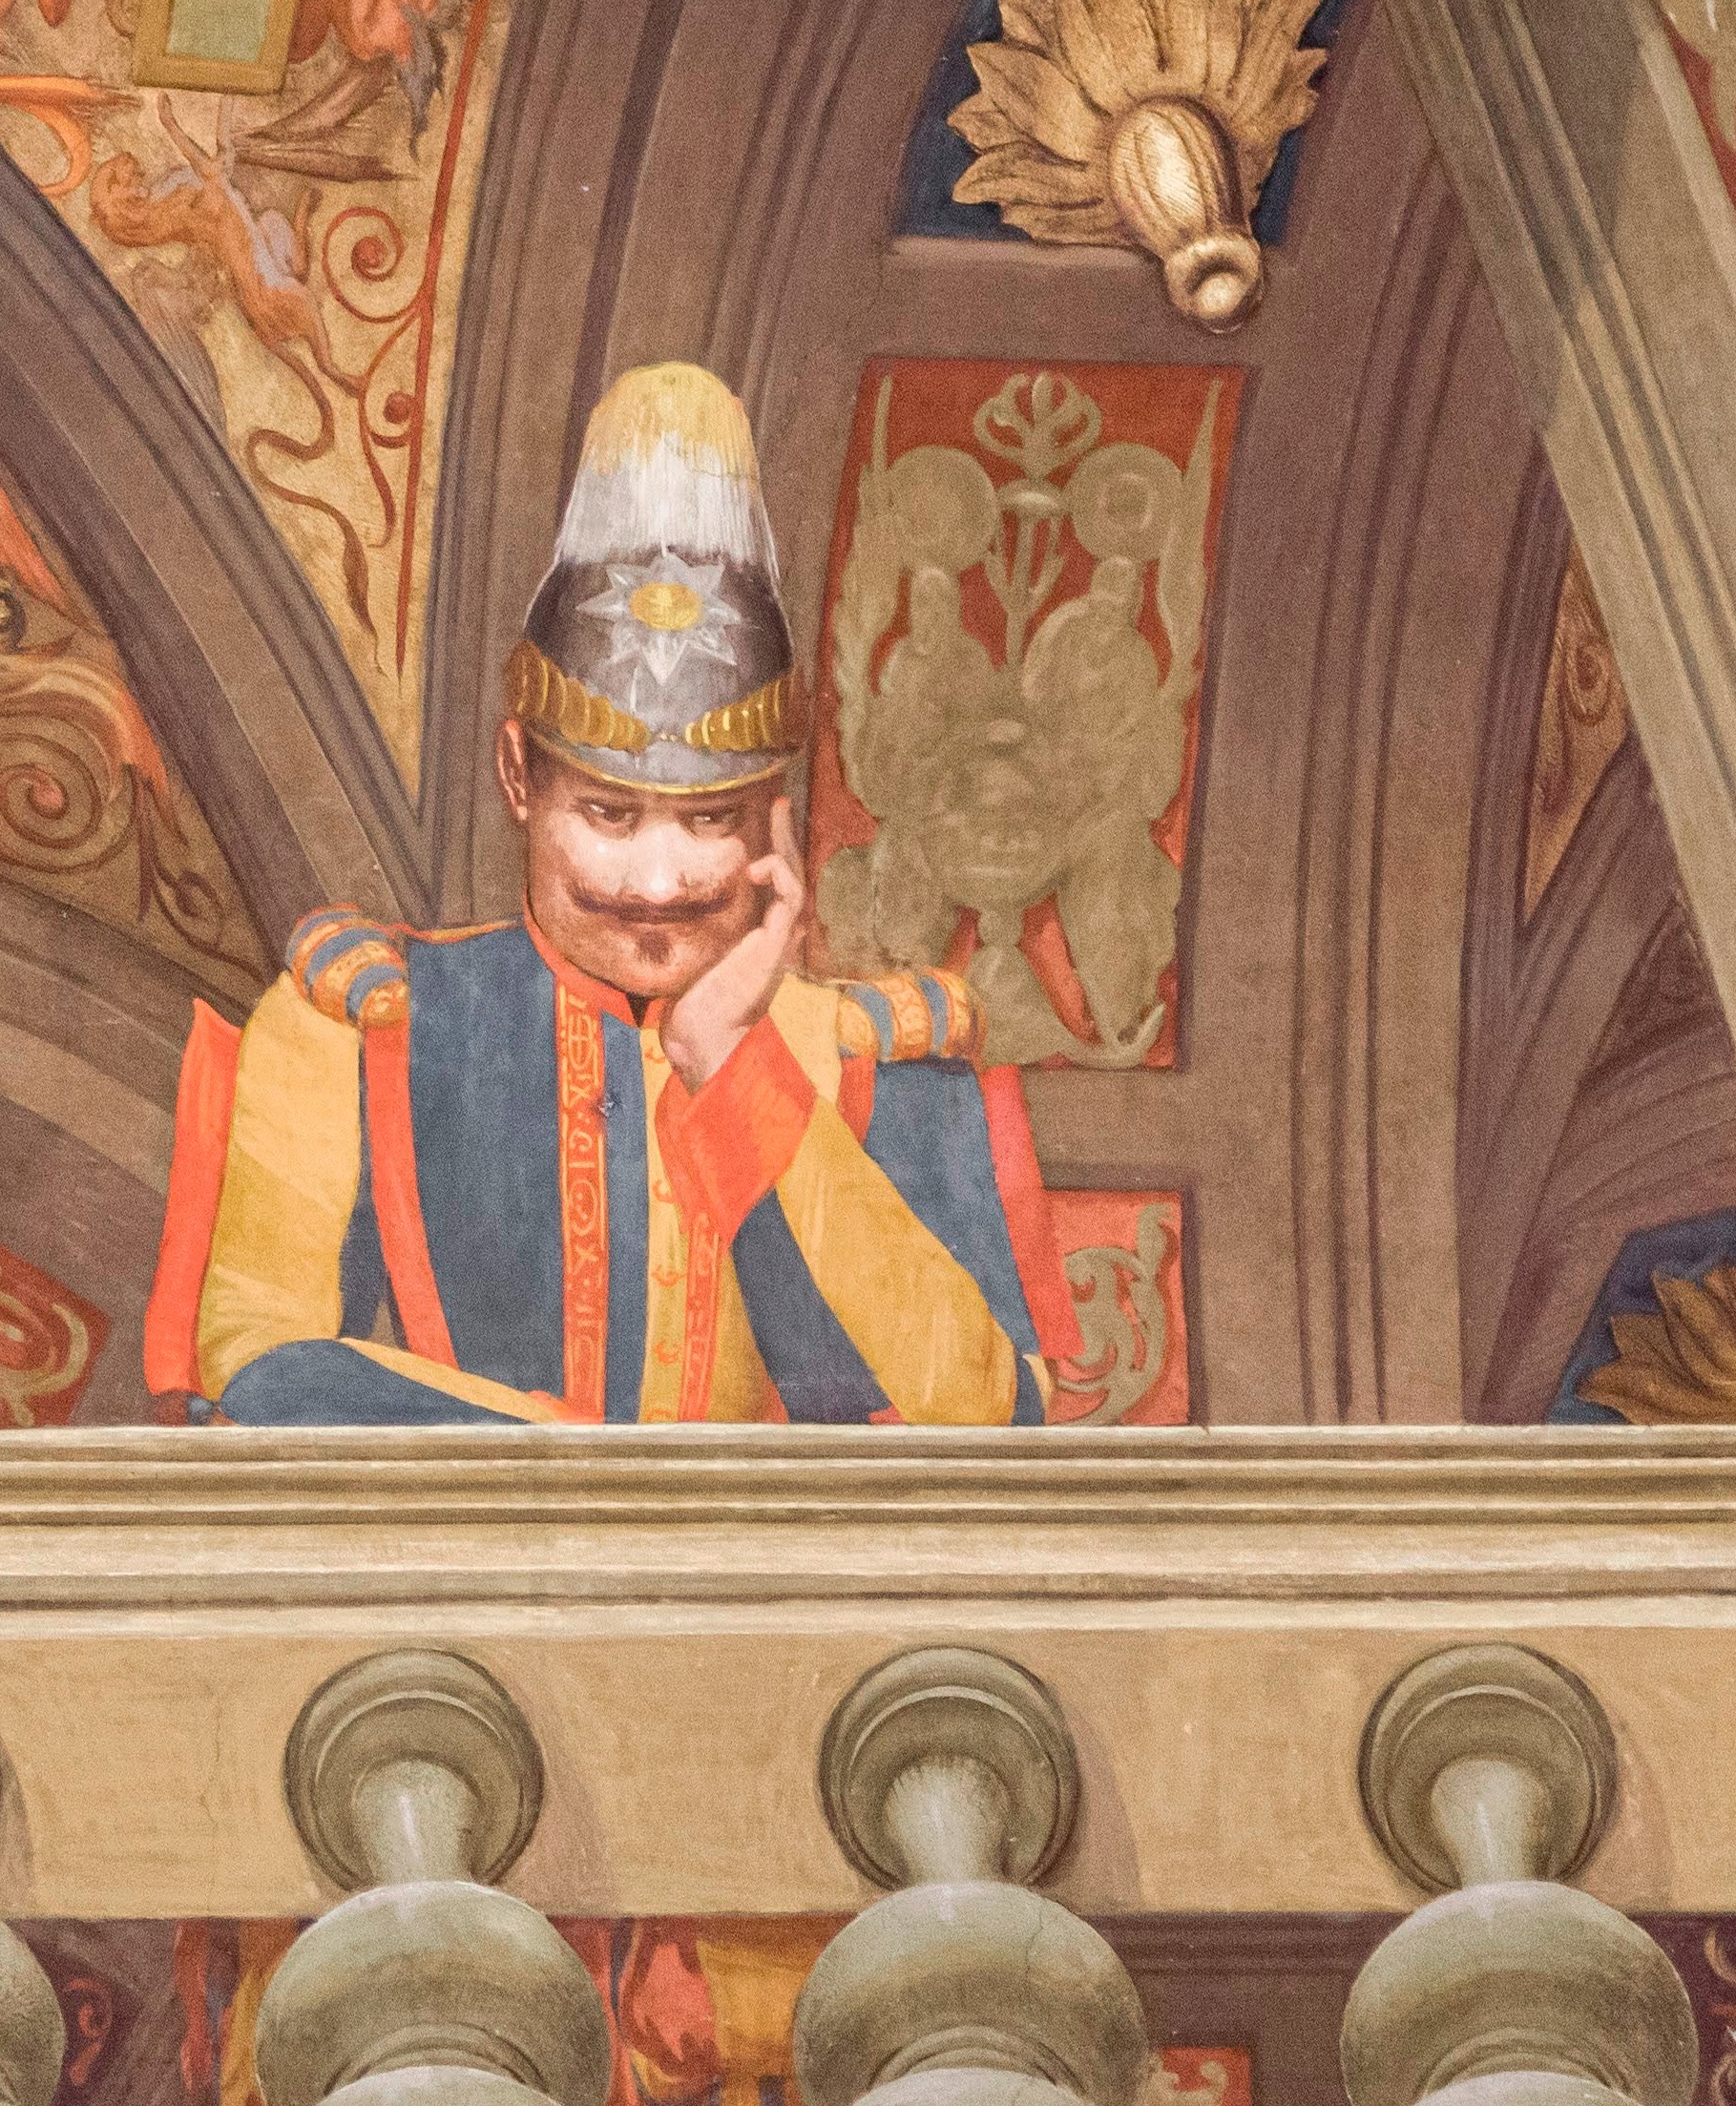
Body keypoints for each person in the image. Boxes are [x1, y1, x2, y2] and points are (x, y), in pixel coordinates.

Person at [147, 365, 1067, 1423]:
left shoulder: (875, 1057)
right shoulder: (355, 1028)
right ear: (517, 779)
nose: (661, 882)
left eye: (712, 817)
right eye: (611, 815)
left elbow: (993, 1424)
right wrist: (613, 1480)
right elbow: (262, 1373)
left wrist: (735, 1063)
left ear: (776, 812)